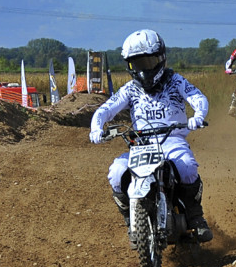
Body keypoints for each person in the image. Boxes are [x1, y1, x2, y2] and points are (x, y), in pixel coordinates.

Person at [89, 29, 213, 243]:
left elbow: (197, 98)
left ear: (161, 58)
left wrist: (198, 116)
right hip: (141, 144)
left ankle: (196, 217)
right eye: (137, 64)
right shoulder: (130, 89)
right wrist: (96, 128)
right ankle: (132, 222)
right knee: (117, 173)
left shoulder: (176, 81)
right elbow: (105, 110)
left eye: (148, 62)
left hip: (172, 139)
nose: (143, 69)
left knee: (186, 166)